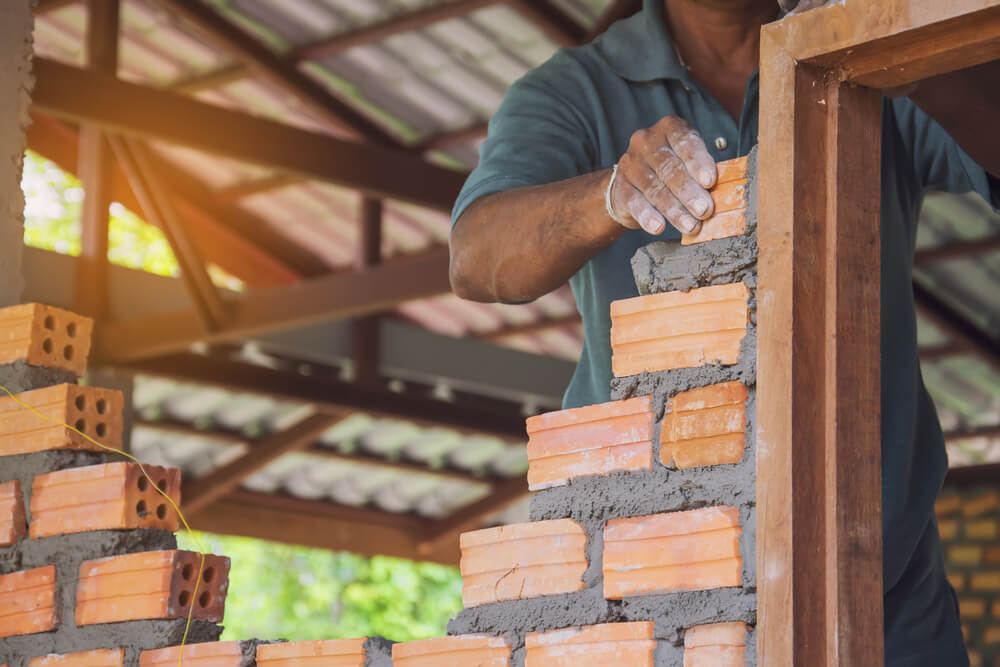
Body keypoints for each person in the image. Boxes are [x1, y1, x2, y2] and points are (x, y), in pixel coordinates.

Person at [448, 0, 1000, 664]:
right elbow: (476, 258)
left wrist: (910, 58)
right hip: (655, 609)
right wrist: (611, 195)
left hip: (883, 601)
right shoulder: (580, 88)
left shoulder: (849, 45)